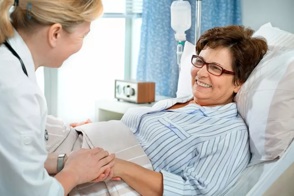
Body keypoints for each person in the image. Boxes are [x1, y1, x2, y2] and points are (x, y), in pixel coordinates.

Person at [0, 0, 115, 195]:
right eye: (83, 36)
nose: (82, 46)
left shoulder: (1, 57)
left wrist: (64, 162)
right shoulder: (9, 86)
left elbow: (11, 154)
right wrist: (75, 173)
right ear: (55, 34)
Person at [109, 25, 268, 195]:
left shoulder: (230, 134)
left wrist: (121, 168)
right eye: (200, 62)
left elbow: (192, 191)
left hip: (110, 178)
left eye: (215, 68)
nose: (200, 73)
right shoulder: (179, 102)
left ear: (238, 82)